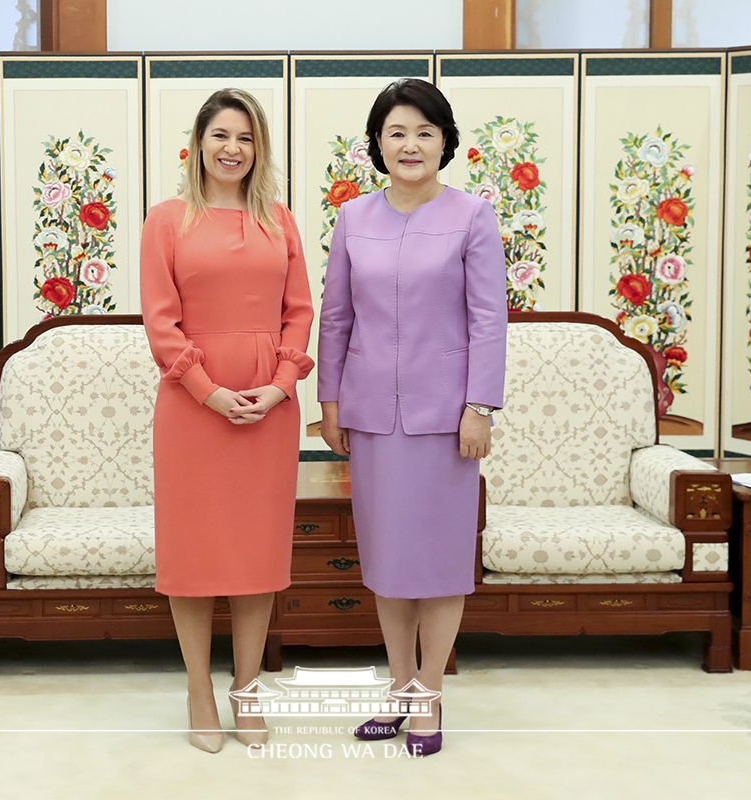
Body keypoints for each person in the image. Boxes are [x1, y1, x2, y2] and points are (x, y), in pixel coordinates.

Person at [317, 78, 507, 757]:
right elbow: (336, 316)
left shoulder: (473, 217)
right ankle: (399, 689)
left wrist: (479, 406)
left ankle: (429, 694)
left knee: (441, 564)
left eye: (424, 132)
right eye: (396, 132)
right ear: (377, 143)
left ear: (445, 142)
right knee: (389, 563)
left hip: (447, 420)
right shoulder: (352, 219)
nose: (410, 144)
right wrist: (330, 402)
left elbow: (489, 320)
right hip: (370, 418)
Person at [140, 88, 313, 753]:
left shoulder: (280, 221)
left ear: (258, 148)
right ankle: (198, 691)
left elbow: (299, 312)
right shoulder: (168, 220)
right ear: (198, 143)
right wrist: (209, 391)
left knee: (255, 557)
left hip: (269, 412)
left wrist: (279, 386)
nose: (232, 149)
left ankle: (246, 692)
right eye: (220, 136)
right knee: (193, 557)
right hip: (192, 412)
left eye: (244, 138)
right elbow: (160, 320)